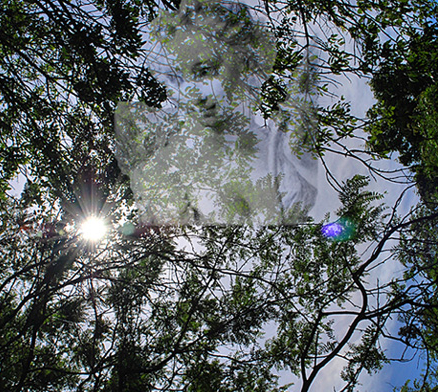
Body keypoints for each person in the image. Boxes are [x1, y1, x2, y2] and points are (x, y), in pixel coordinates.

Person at [114, 0, 319, 226]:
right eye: (176, 80)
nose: (191, 93)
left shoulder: (287, 161)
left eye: (204, 71)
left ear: (246, 63)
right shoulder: (167, 177)